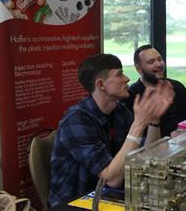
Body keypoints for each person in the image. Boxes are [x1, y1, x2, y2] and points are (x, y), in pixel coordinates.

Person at [49, 54, 174, 206]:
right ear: (101, 84)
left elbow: (146, 155)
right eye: (119, 74)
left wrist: (154, 120)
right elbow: (111, 179)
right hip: (76, 203)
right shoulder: (76, 120)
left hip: (111, 197)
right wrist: (139, 124)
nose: (127, 78)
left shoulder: (119, 110)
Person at [122, 44, 186, 137]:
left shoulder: (176, 86)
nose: (158, 64)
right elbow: (135, 138)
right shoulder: (131, 96)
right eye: (151, 62)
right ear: (139, 69)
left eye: (159, 59)